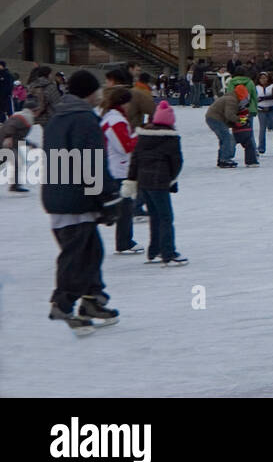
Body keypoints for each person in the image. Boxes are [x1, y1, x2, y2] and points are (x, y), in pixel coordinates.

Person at [42, 70, 120, 333]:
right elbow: (92, 163)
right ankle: (62, 306)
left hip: (60, 195)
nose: (100, 94)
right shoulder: (84, 119)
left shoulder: (58, 117)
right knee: (78, 257)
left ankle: (92, 301)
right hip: (75, 199)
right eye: (97, 89)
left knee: (91, 252)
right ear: (89, 92)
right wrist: (108, 197)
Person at [124, 100, 186, 265]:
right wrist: (171, 179)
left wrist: (132, 180)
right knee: (165, 217)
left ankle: (154, 251)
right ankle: (168, 253)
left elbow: (135, 160)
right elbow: (177, 162)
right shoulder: (171, 138)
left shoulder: (143, 136)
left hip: (144, 183)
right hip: (160, 183)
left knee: (155, 217)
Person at [99, 86, 139, 255]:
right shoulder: (116, 121)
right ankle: (124, 242)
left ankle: (124, 240)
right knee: (125, 208)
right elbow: (125, 146)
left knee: (125, 207)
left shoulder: (111, 117)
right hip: (118, 169)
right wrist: (139, 136)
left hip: (115, 167)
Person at [206, 84, 246, 169]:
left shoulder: (230, 97)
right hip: (215, 119)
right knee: (227, 138)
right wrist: (241, 120)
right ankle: (225, 159)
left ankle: (221, 159)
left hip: (212, 118)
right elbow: (229, 115)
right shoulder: (232, 100)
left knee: (224, 138)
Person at [255, 72, 273, 154]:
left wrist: (262, 98)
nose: (263, 80)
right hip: (261, 110)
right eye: (261, 78)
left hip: (272, 109)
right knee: (262, 129)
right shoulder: (256, 87)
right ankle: (261, 147)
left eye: (265, 78)